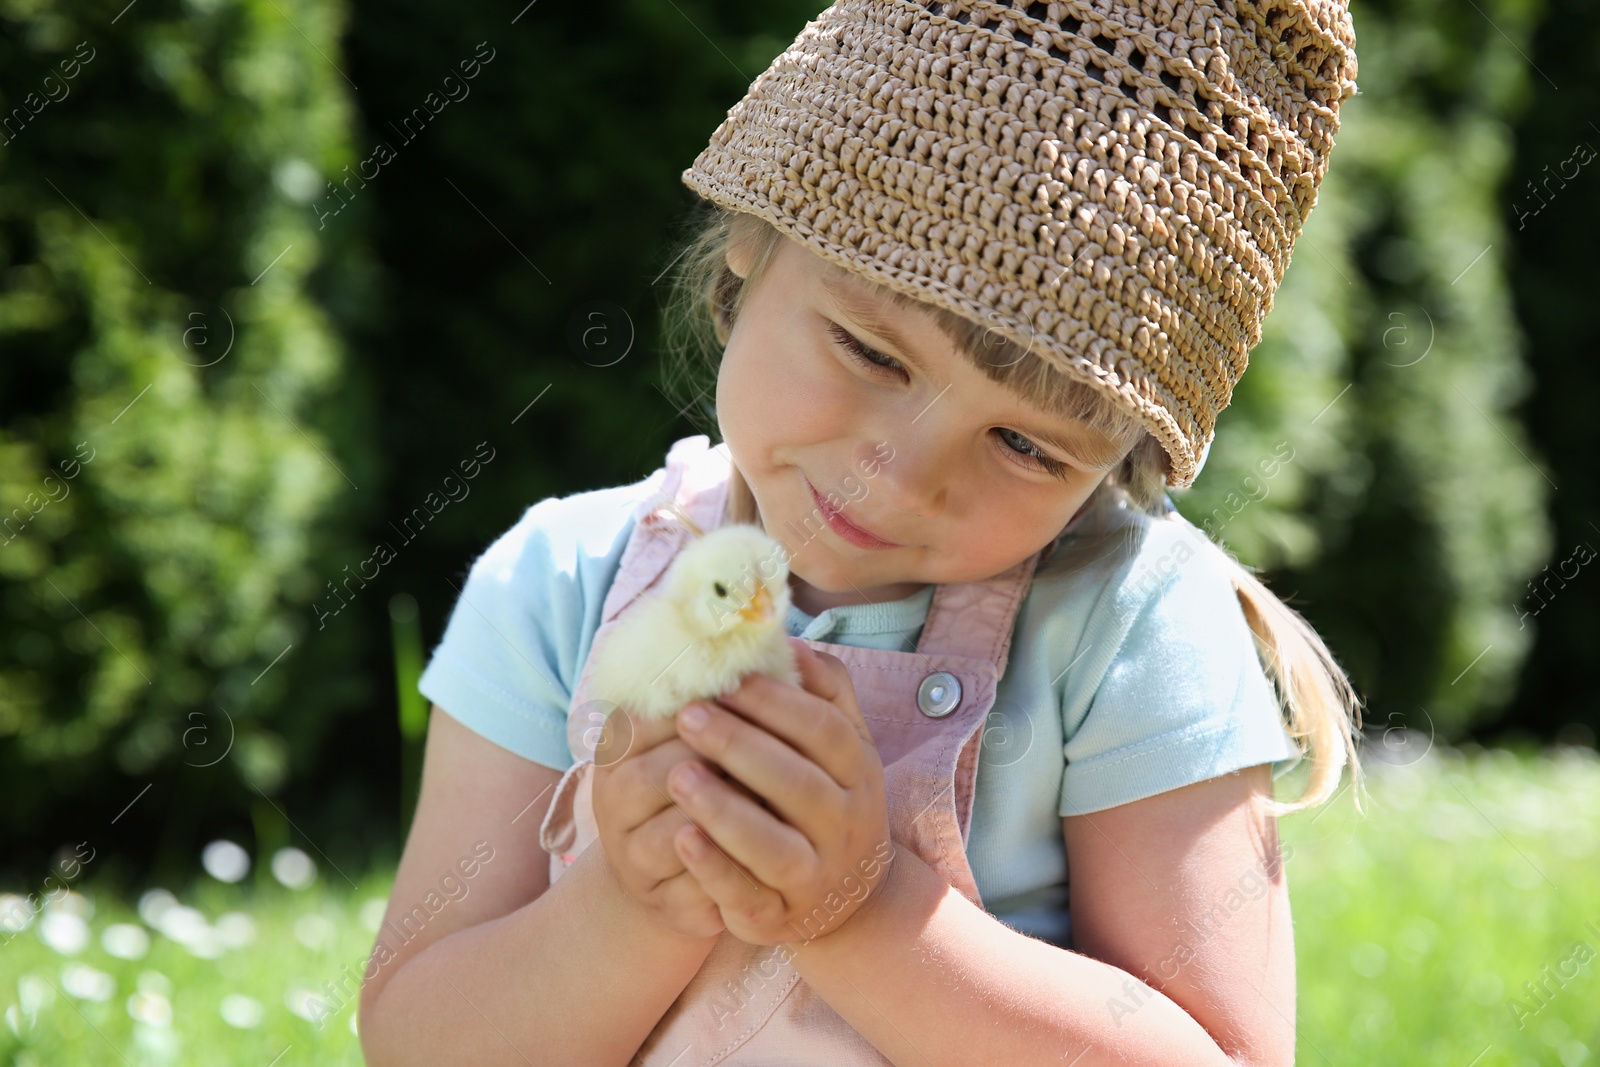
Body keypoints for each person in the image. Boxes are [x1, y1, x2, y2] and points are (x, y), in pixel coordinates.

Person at [358, 1, 1367, 1063]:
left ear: (1113, 465)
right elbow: (419, 1040)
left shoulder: (1130, 625)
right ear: (753, 237)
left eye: (1026, 446)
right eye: (872, 352)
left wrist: (861, 909)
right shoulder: (559, 581)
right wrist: (632, 903)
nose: (904, 471)